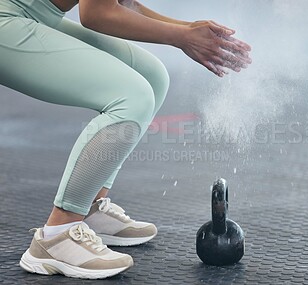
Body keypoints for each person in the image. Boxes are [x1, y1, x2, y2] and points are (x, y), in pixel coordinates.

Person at [0, 0, 252, 279]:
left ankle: (90, 206)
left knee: (152, 76)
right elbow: (97, 15)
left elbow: (120, 3)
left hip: (37, 13)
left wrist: (188, 29)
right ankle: (57, 236)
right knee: (132, 95)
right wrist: (183, 37)